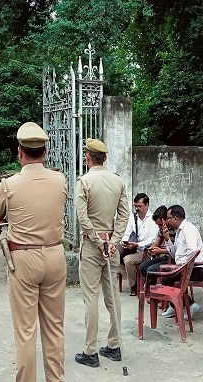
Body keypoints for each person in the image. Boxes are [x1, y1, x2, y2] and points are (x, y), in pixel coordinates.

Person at [0, 122, 67, 382]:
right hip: (56, 255)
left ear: (19, 152)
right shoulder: (60, 180)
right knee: (54, 325)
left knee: (25, 330)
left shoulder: (9, 185)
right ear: (45, 151)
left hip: (23, 258)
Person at [75, 138, 130, 367]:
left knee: (91, 298)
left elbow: (82, 217)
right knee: (112, 296)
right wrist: (113, 241)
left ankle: (90, 351)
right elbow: (124, 215)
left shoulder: (84, 182)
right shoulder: (117, 181)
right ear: (105, 158)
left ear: (87, 157)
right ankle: (114, 345)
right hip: (111, 246)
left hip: (92, 246)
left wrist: (98, 242)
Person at [159, 205, 203, 320]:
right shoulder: (179, 231)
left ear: (175, 218)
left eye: (168, 218)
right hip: (185, 267)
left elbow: (193, 251)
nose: (167, 221)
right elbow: (175, 254)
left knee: (166, 278)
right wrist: (167, 239)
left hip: (195, 269)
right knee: (164, 275)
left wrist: (181, 266)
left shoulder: (188, 229)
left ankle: (189, 305)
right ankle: (175, 305)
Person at [118, 193, 159, 296]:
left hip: (145, 251)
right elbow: (127, 233)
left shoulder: (153, 219)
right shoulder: (133, 217)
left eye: (139, 206)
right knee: (113, 257)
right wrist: (124, 242)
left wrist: (137, 245)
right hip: (132, 249)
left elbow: (152, 240)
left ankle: (134, 286)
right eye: (135, 206)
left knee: (127, 260)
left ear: (146, 205)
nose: (137, 208)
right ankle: (136, 279)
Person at [138, 205, 172, 280]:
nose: (159, 227)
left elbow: (176, 250)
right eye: (157, 225)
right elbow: (159, 239)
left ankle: (158, 287)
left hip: (175, 259)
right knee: (142, 267)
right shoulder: (162, 229)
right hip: (168, 257)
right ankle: (152, 287)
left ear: (165, 220)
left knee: (151, 270)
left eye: (160, 224)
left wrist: (160, 251)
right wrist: (152, 248)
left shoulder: (174, 229)